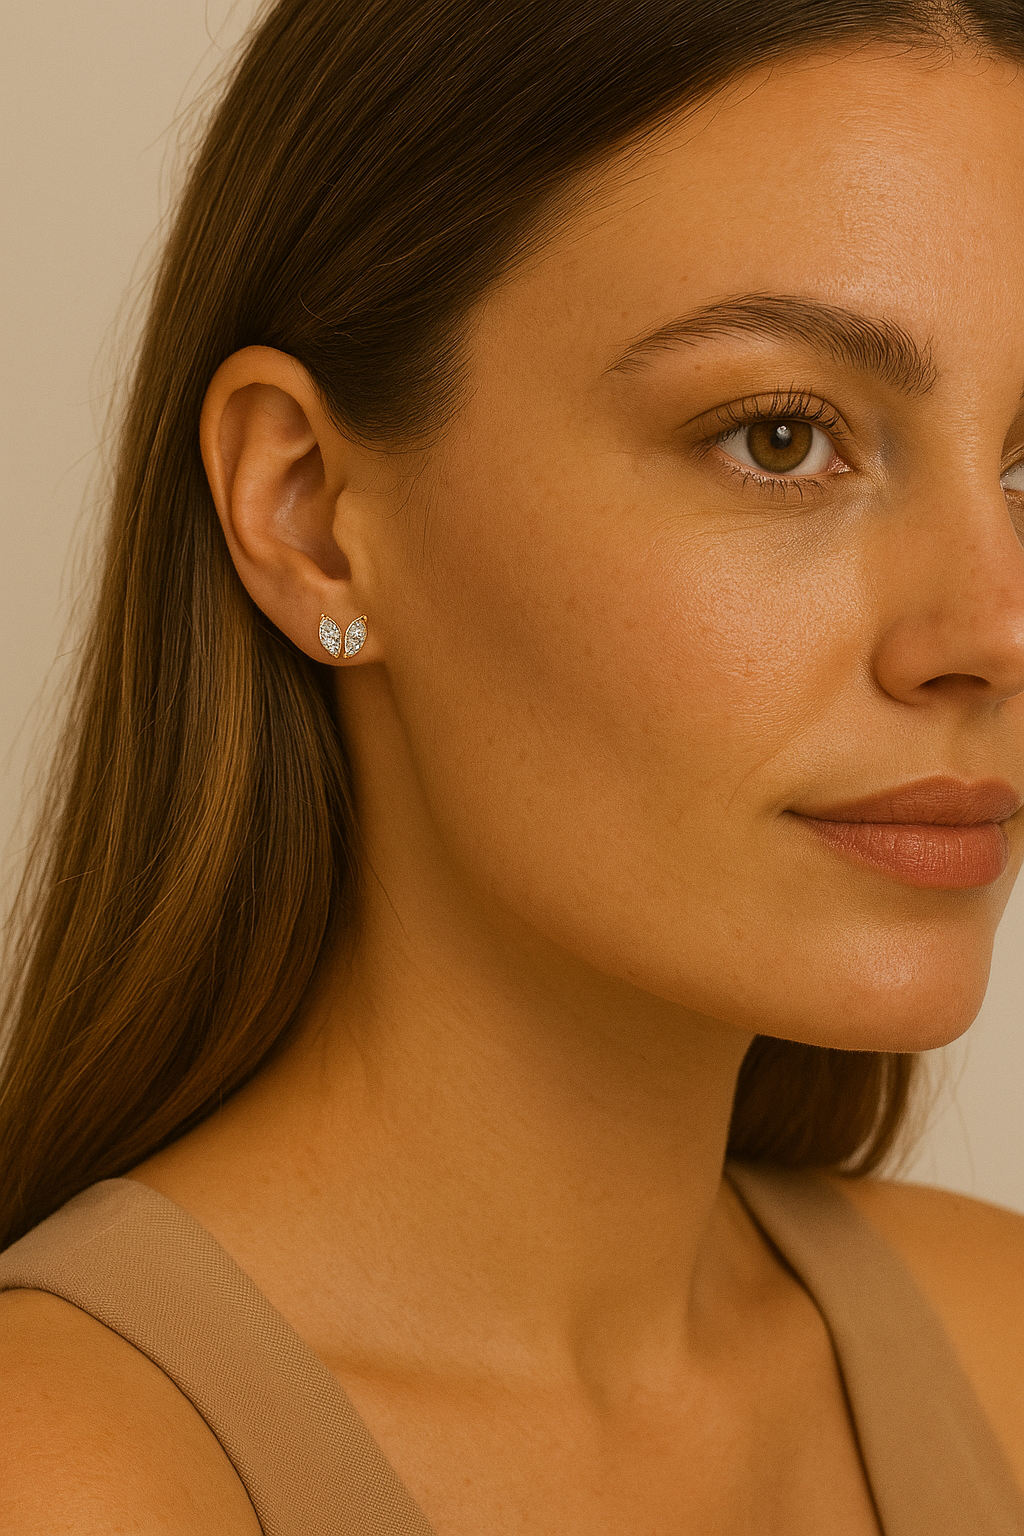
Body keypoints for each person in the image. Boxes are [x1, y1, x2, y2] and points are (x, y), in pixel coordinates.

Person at [3, 0, 1024, 1529]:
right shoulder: (68, 1479)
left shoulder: (999, 1345)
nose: (995, 626)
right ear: (310, 514)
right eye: (778, 438)